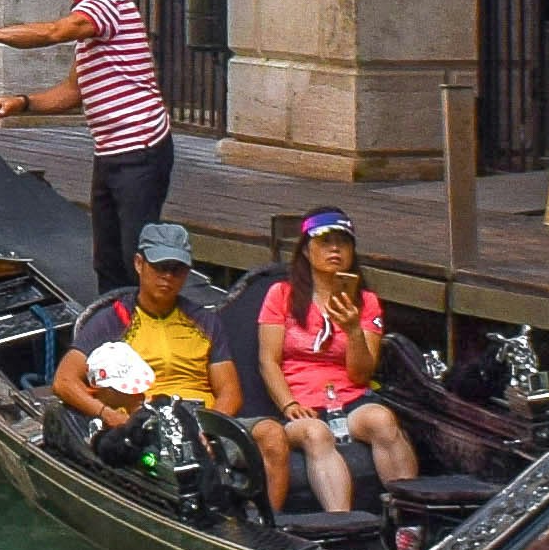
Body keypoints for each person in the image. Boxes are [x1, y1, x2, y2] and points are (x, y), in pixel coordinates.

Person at [0, 0, 178, 295]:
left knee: (136, 256)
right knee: (107, 259)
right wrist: (20, 103)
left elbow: (52, 33)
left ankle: (148, 336)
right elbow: (72, 91)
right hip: (112, 152)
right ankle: (113, 334)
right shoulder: (91, 19)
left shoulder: (105, 3)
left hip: (141, 149)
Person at [252, 208, 422, 518]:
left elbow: (361, 374)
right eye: (326, 242)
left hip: (350, 399)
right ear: (306, 249)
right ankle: (342, 522)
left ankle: (410, 520)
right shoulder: (282, 294)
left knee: (383, 420)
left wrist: (354, 329)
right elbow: (268, 360)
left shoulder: (366, 301)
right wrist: (288, 403)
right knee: (317, 434)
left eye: (342, 243)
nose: (334, 250)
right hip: (302, 406)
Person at [46, 227, 239, 472]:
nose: (168, 276)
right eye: (160, 266)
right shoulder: (112, 320)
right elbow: (64, 381)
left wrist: (210, 431)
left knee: (271, 434)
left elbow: (230, 391)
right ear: (139, 264)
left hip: (203, 420)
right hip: (146, 425)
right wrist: (107, 414)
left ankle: (265, 510)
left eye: (176, 269)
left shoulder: (205, 321)